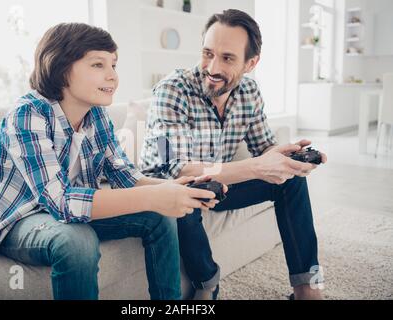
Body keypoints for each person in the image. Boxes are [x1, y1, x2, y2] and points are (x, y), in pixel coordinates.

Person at [0, 22, 220, 300]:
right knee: (76, 239)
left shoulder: (97, 116)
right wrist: (153, 196)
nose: (112, 76)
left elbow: (126, 177)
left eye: (114, 65)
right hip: (20, 219)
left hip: (73, 210)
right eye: (98, 65)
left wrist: (177, 189)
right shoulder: (27, 114)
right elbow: (61, 203)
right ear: (60, 67)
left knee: (160, 215)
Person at [139, 9, 328, 300]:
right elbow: (179, 169)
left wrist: (286, 158)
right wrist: (257, 167)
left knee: (291, 180)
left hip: (221, 184)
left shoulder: (249, 92)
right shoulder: (171, 91)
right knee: (187, 194)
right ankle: (208, 284)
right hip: (171, 189)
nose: (212, 67)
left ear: (250, 63)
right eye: (207, 53)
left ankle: (308, 289)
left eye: (227, 58)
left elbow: (263, 147)